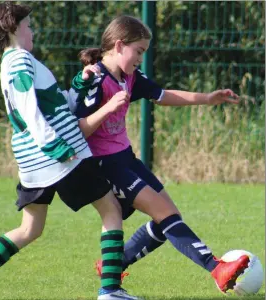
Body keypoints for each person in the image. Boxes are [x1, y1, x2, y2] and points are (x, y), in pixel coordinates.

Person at [0, 5, 142, 300]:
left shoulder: (14, 62)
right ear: (13, 29)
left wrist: (79, 84)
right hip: (59, 155)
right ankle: (111, 290)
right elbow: (28, 108)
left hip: (33, 163)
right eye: (29, 26)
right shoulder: (19, 60)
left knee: (29, 229)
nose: (33, 31)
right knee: (111, 210)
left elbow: (54, 103)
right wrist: (54, 145)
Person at [68, 15, 250, 294]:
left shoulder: (129, 76)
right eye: (138, 52)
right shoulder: (95, 79)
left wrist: (207, 98)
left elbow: (164, 95)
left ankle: (113, 264)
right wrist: (108, 108)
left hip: (126, 159)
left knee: (168, 217)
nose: (141, 59)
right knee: (165, 214)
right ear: (119, 45)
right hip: (104, 165)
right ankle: (216, 268)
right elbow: (80, 131)